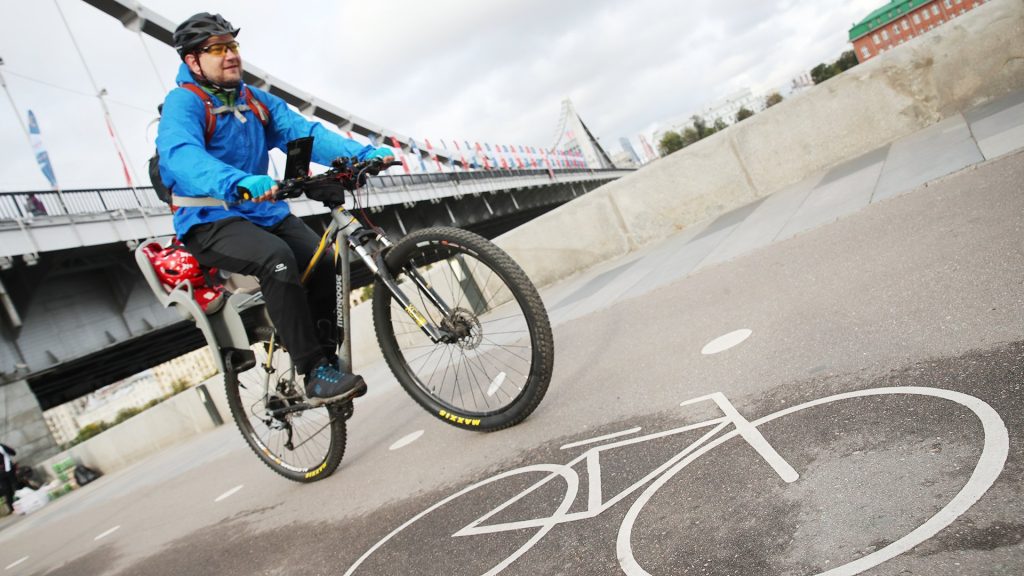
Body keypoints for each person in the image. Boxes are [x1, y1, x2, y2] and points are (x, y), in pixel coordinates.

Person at [157, 13, 395, 402]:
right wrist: (238, 182)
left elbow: (306, 133)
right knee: (278, 259)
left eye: (232, 45)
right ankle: (314, 372)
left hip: (262, 212)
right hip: (209, 218)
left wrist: (363, 153)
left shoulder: (253, 100)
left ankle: (325, 355)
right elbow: (181, 156)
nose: (230, 54)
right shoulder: (183, 103)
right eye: (216, 49)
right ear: (192, 61)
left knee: (325, 259)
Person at [0, 444, 16, 514]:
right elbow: (13, 452)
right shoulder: (1, 446)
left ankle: (12, 507)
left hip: (4, 471)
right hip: (7, 469)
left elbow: (13, 452)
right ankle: (16, 504)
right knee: (14, 486)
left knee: (7, 489)